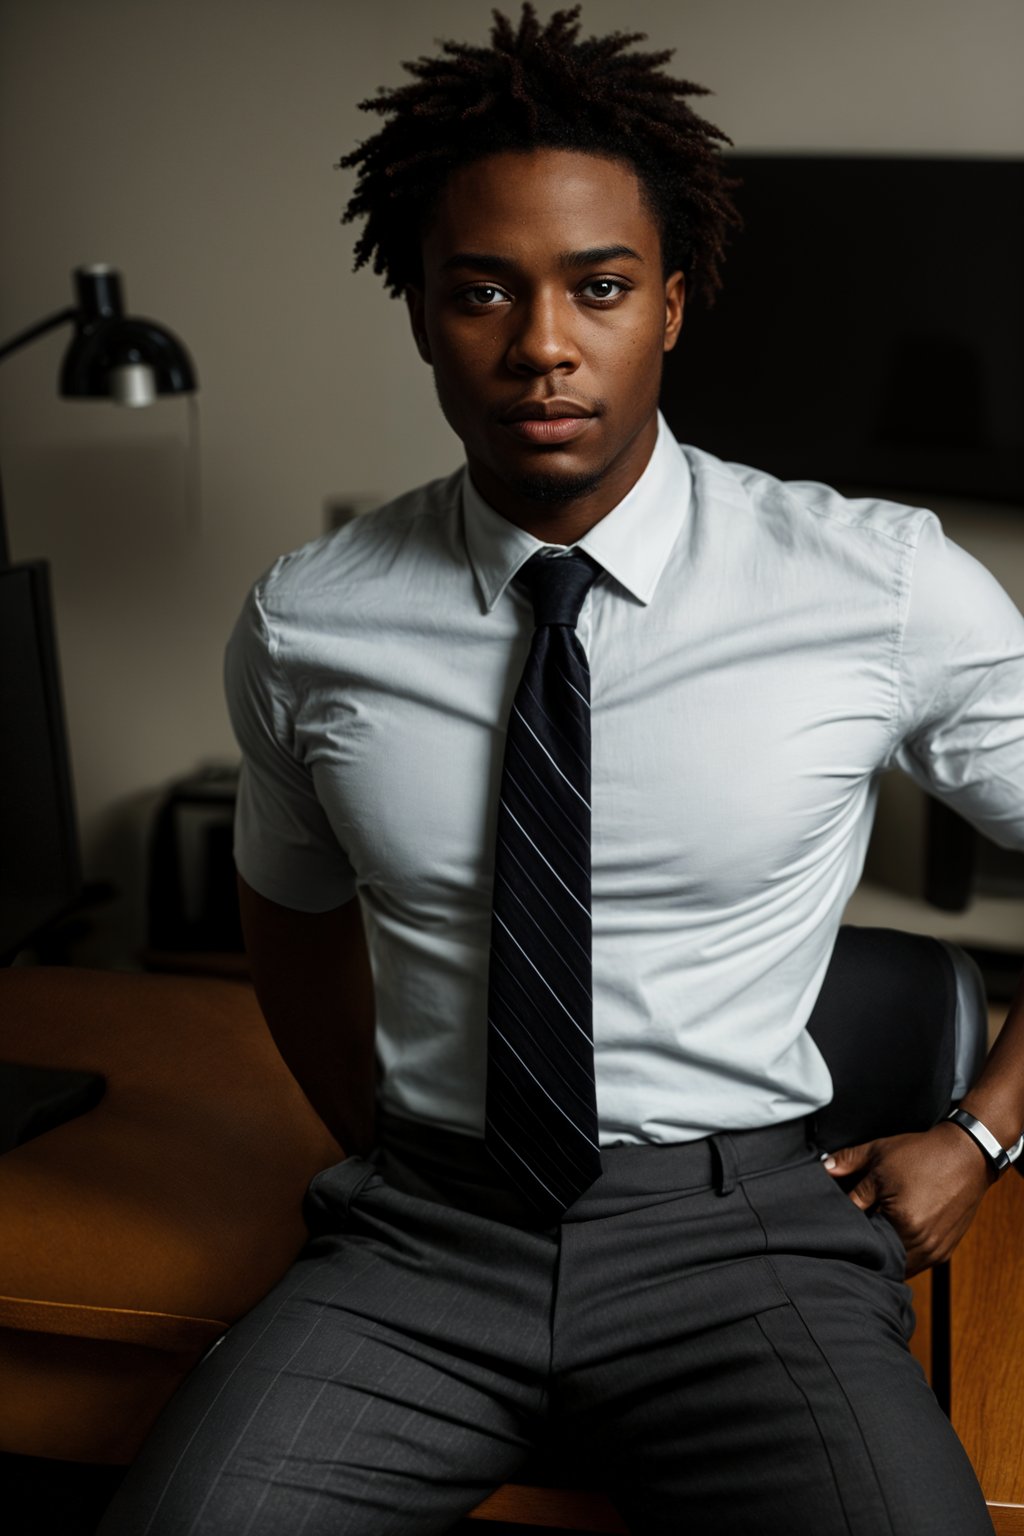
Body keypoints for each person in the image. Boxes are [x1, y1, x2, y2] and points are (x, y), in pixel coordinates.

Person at [101, 6, 1024, 1533]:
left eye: (598, 289)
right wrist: (394, 1153)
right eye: (483, 293)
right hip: (421, 1245)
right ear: (419, 311)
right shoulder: (309, 619)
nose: (542, 345)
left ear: (670, 302)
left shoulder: (875, 585)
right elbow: (293, 917)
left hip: (747, 1247)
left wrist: (986, 1134)